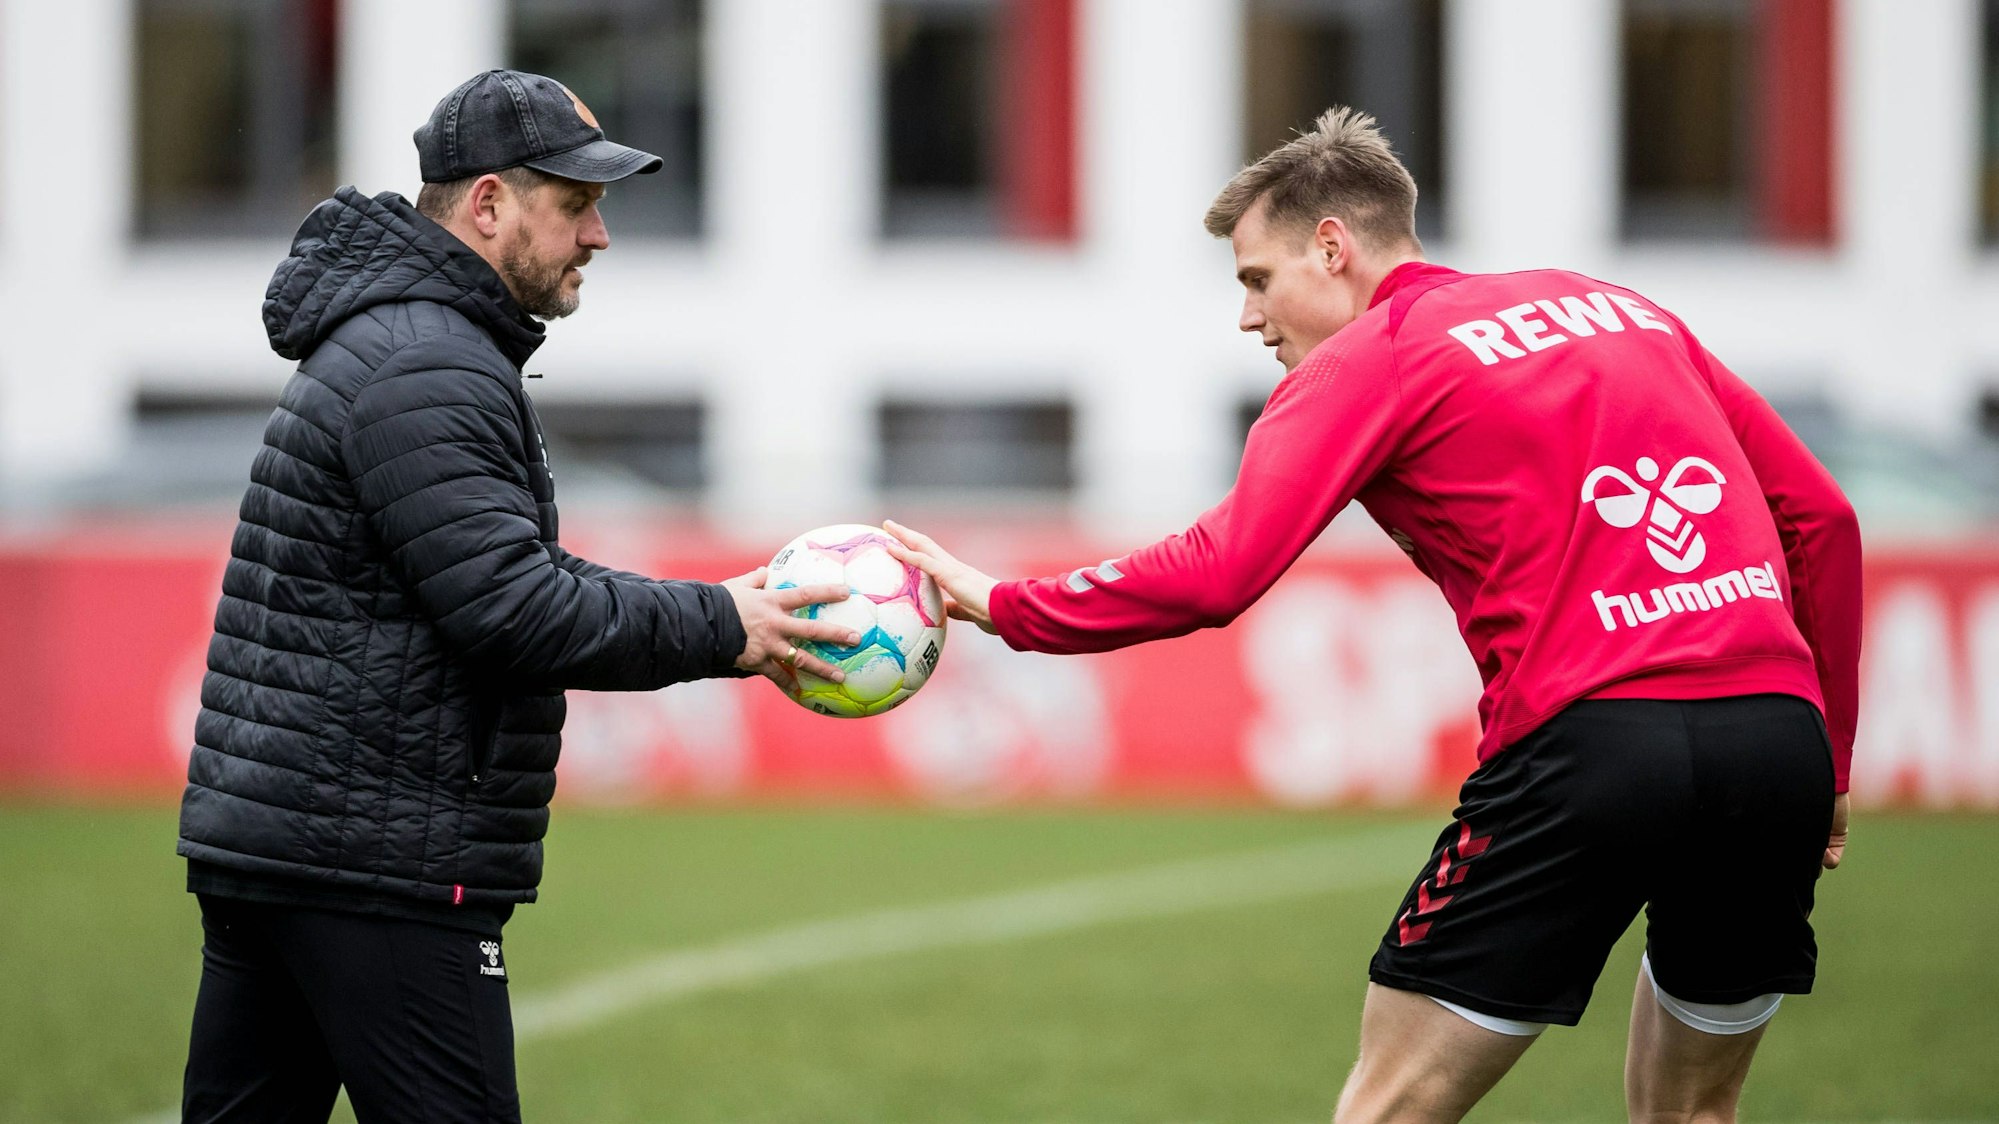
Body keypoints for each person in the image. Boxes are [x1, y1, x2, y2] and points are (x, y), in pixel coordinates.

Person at [886, 106, 1860, 1123]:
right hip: (1772, 744)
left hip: (1593, 743)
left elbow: (1220, 569)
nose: (1248, 317)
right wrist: (1827, 761)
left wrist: (1006, 602)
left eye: (1255, 279)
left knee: (1389, 1107)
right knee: (1692, 1115)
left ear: (1332, 247)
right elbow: (1823, 518)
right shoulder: (1624, 308)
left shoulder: (1376, 352)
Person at [175, 69, 855, 1123]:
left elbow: (503, 575)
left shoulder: (412, 342)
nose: (600, 237)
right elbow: (513, 608)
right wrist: (726, 626)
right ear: (487, 205)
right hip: (374, 859)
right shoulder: (426, 362)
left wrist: (723, 605)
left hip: (292, 838)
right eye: (576, 206)